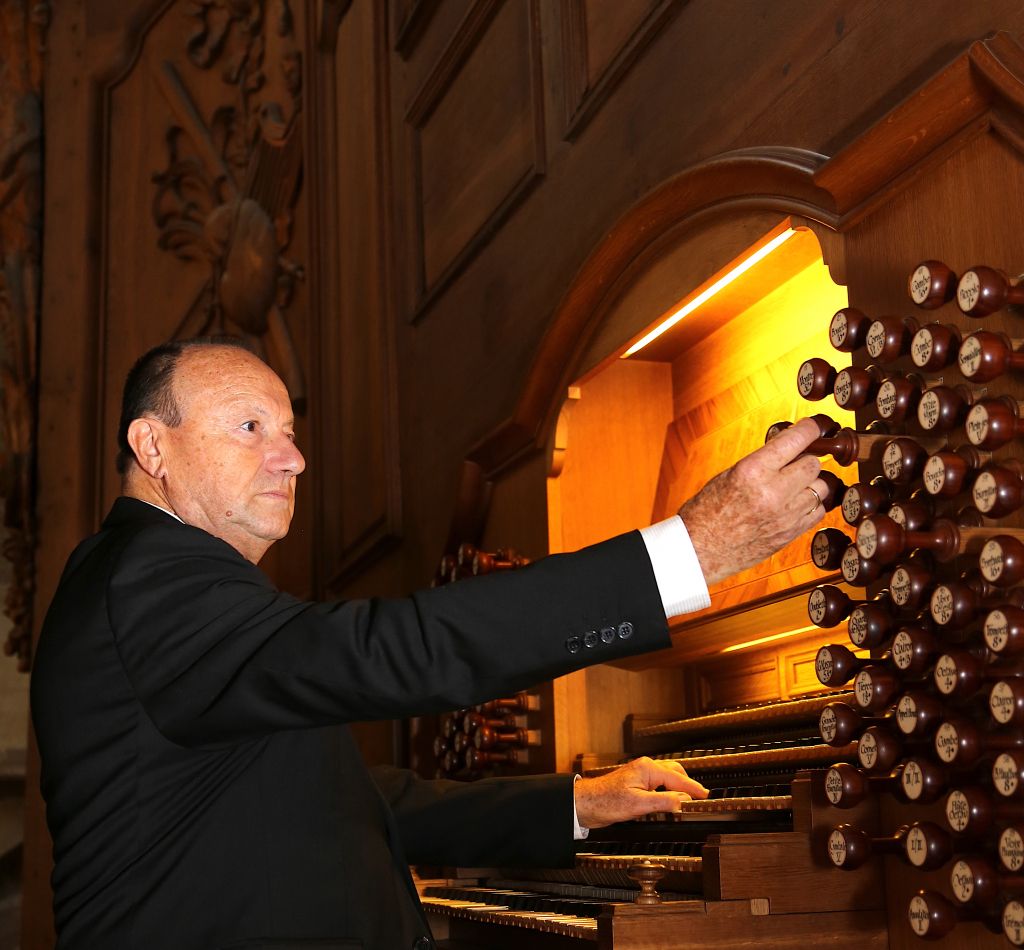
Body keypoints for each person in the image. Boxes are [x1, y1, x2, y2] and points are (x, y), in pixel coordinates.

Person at [31, 338, 827, 949]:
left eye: (290, 432)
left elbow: (348, 799)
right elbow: (390, 651)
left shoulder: (179, 594)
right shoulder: (143, 577)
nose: (293, 457)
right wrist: (690, 552)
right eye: (250, 428)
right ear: (153, 448)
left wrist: (574, 803)